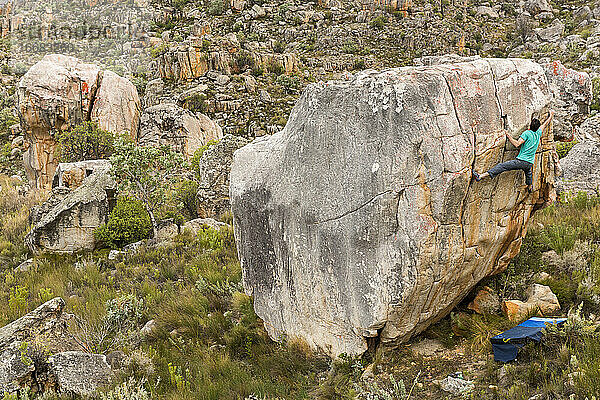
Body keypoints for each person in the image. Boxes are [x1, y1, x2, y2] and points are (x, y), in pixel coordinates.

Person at [472, 111, 554, 193]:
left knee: (502, 166)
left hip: (521, 161)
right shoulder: (538, 133)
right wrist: (551, 115)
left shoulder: (527, 133)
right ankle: (529, 186)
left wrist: (508, 136)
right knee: (528, 174)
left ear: (530, 126)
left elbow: (517, 144)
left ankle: (480, 176)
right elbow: (545, 124)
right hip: (529, 163)